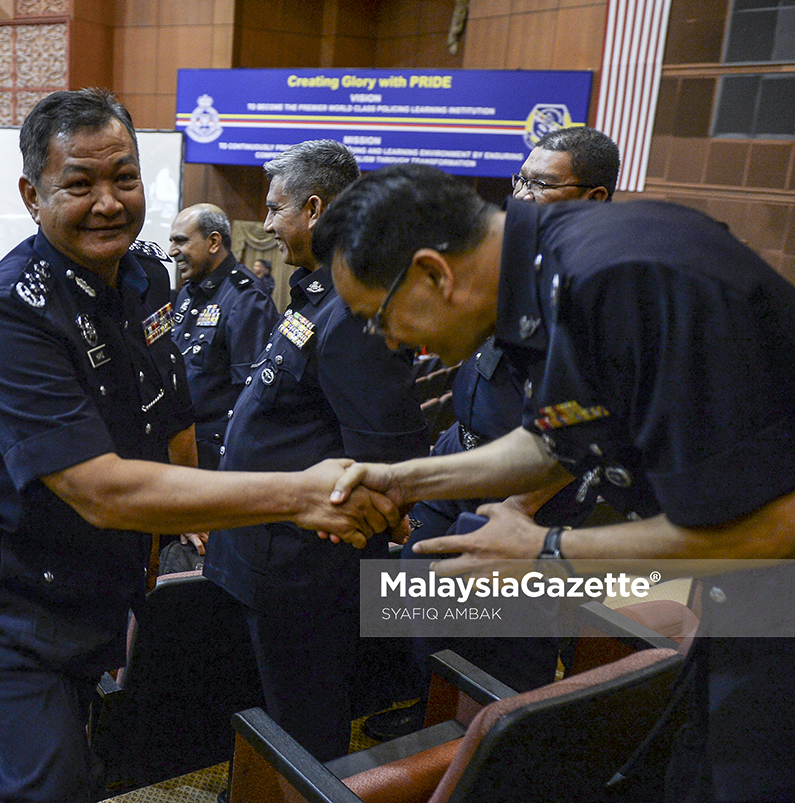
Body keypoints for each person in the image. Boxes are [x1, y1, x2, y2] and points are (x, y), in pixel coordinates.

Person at [0, 89, 395, 803]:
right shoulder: (7, 311)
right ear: (31, 192)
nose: (108, 201)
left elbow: (171, 412)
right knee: (53, 782)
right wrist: (298, 495)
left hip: (99, 576)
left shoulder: (145, 277)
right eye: (79, 184)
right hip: (6, 590)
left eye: (124, 177)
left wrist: (184, 524)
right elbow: (102, 490)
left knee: (90, 741)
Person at [317, 163, 795, 802]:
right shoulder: (546, 270)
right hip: (742, 602)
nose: (390, 341)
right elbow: (557, 439)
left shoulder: (622, 280)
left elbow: (773, 526)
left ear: (435, 273)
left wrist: (544, 553)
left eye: (378, 317)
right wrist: (405, 480)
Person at [380, 126, 620, 730]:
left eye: (538, 184)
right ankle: (428, 716)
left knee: (506, 642)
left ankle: (500, 743)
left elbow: (586, 434)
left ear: (592, 199)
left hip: (527, 495)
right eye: (520, 179)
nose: (521, 196)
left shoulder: (597, 290)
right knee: (426, 612)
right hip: (463, 461)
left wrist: (514, 510)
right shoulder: (526, 266)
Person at [203, 140, 430, 762]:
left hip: (303, 568)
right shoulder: (316, 293)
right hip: (262, 550)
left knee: (304, 723)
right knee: (263, 712)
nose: (268, 225)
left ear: (314, 207)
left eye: (275, 210)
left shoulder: (356, 310)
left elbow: (383, 457)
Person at [169, 203, 277, 469]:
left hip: (216, 454)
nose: (172, 252)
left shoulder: (246, 298)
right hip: (182, 442)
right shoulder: (188, 292)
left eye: (181, 241)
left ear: (213, 242)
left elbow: (251, 396)